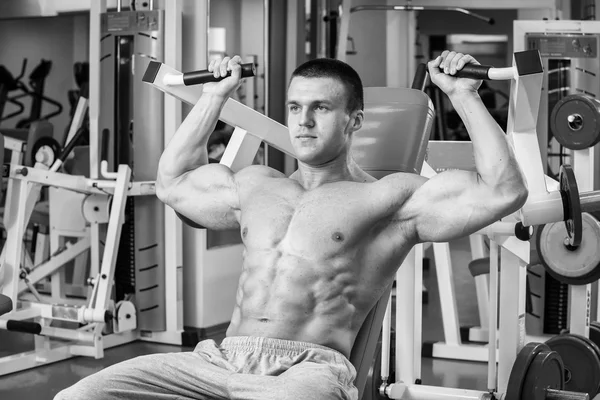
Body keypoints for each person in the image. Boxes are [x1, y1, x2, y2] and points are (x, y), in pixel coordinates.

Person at [55, 51, 528, 400]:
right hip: (217, 360)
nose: (303, 121)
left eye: (320, 108)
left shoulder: (387, 197)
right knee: (76, 397)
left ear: (354, 120)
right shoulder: (257, 185)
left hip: (307, 370)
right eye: (295, 107)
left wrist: (462, 96)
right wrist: (215, 96)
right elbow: (172, 182)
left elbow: (503, 191)